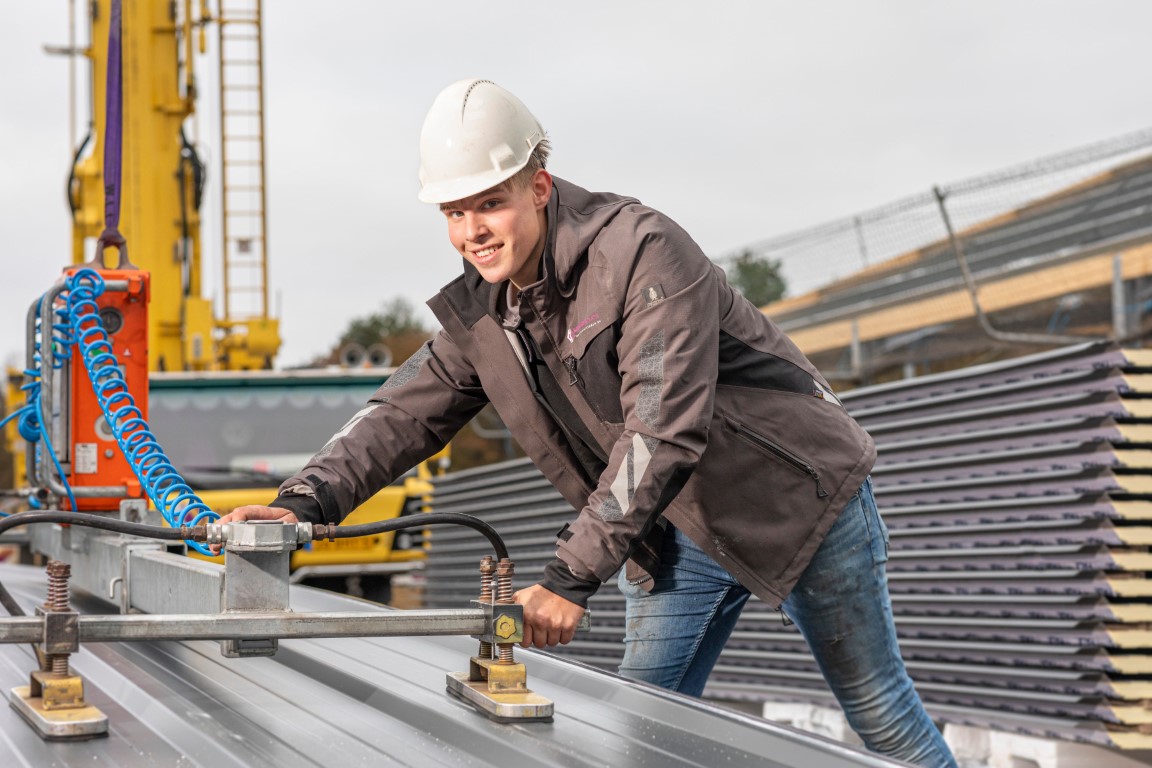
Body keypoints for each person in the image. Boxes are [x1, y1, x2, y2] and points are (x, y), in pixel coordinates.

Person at [218, 79, 957, 767]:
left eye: (489, 203)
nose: (473, 231)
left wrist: (569, 576)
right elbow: (402, 413)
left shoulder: (643, 251)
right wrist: (302, 502)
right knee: (635, 737)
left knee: (880, 715)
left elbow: (661, 429)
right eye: (453, 213)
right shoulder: (486, 312)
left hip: (799, 501)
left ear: (538, 187)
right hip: (670, 531)